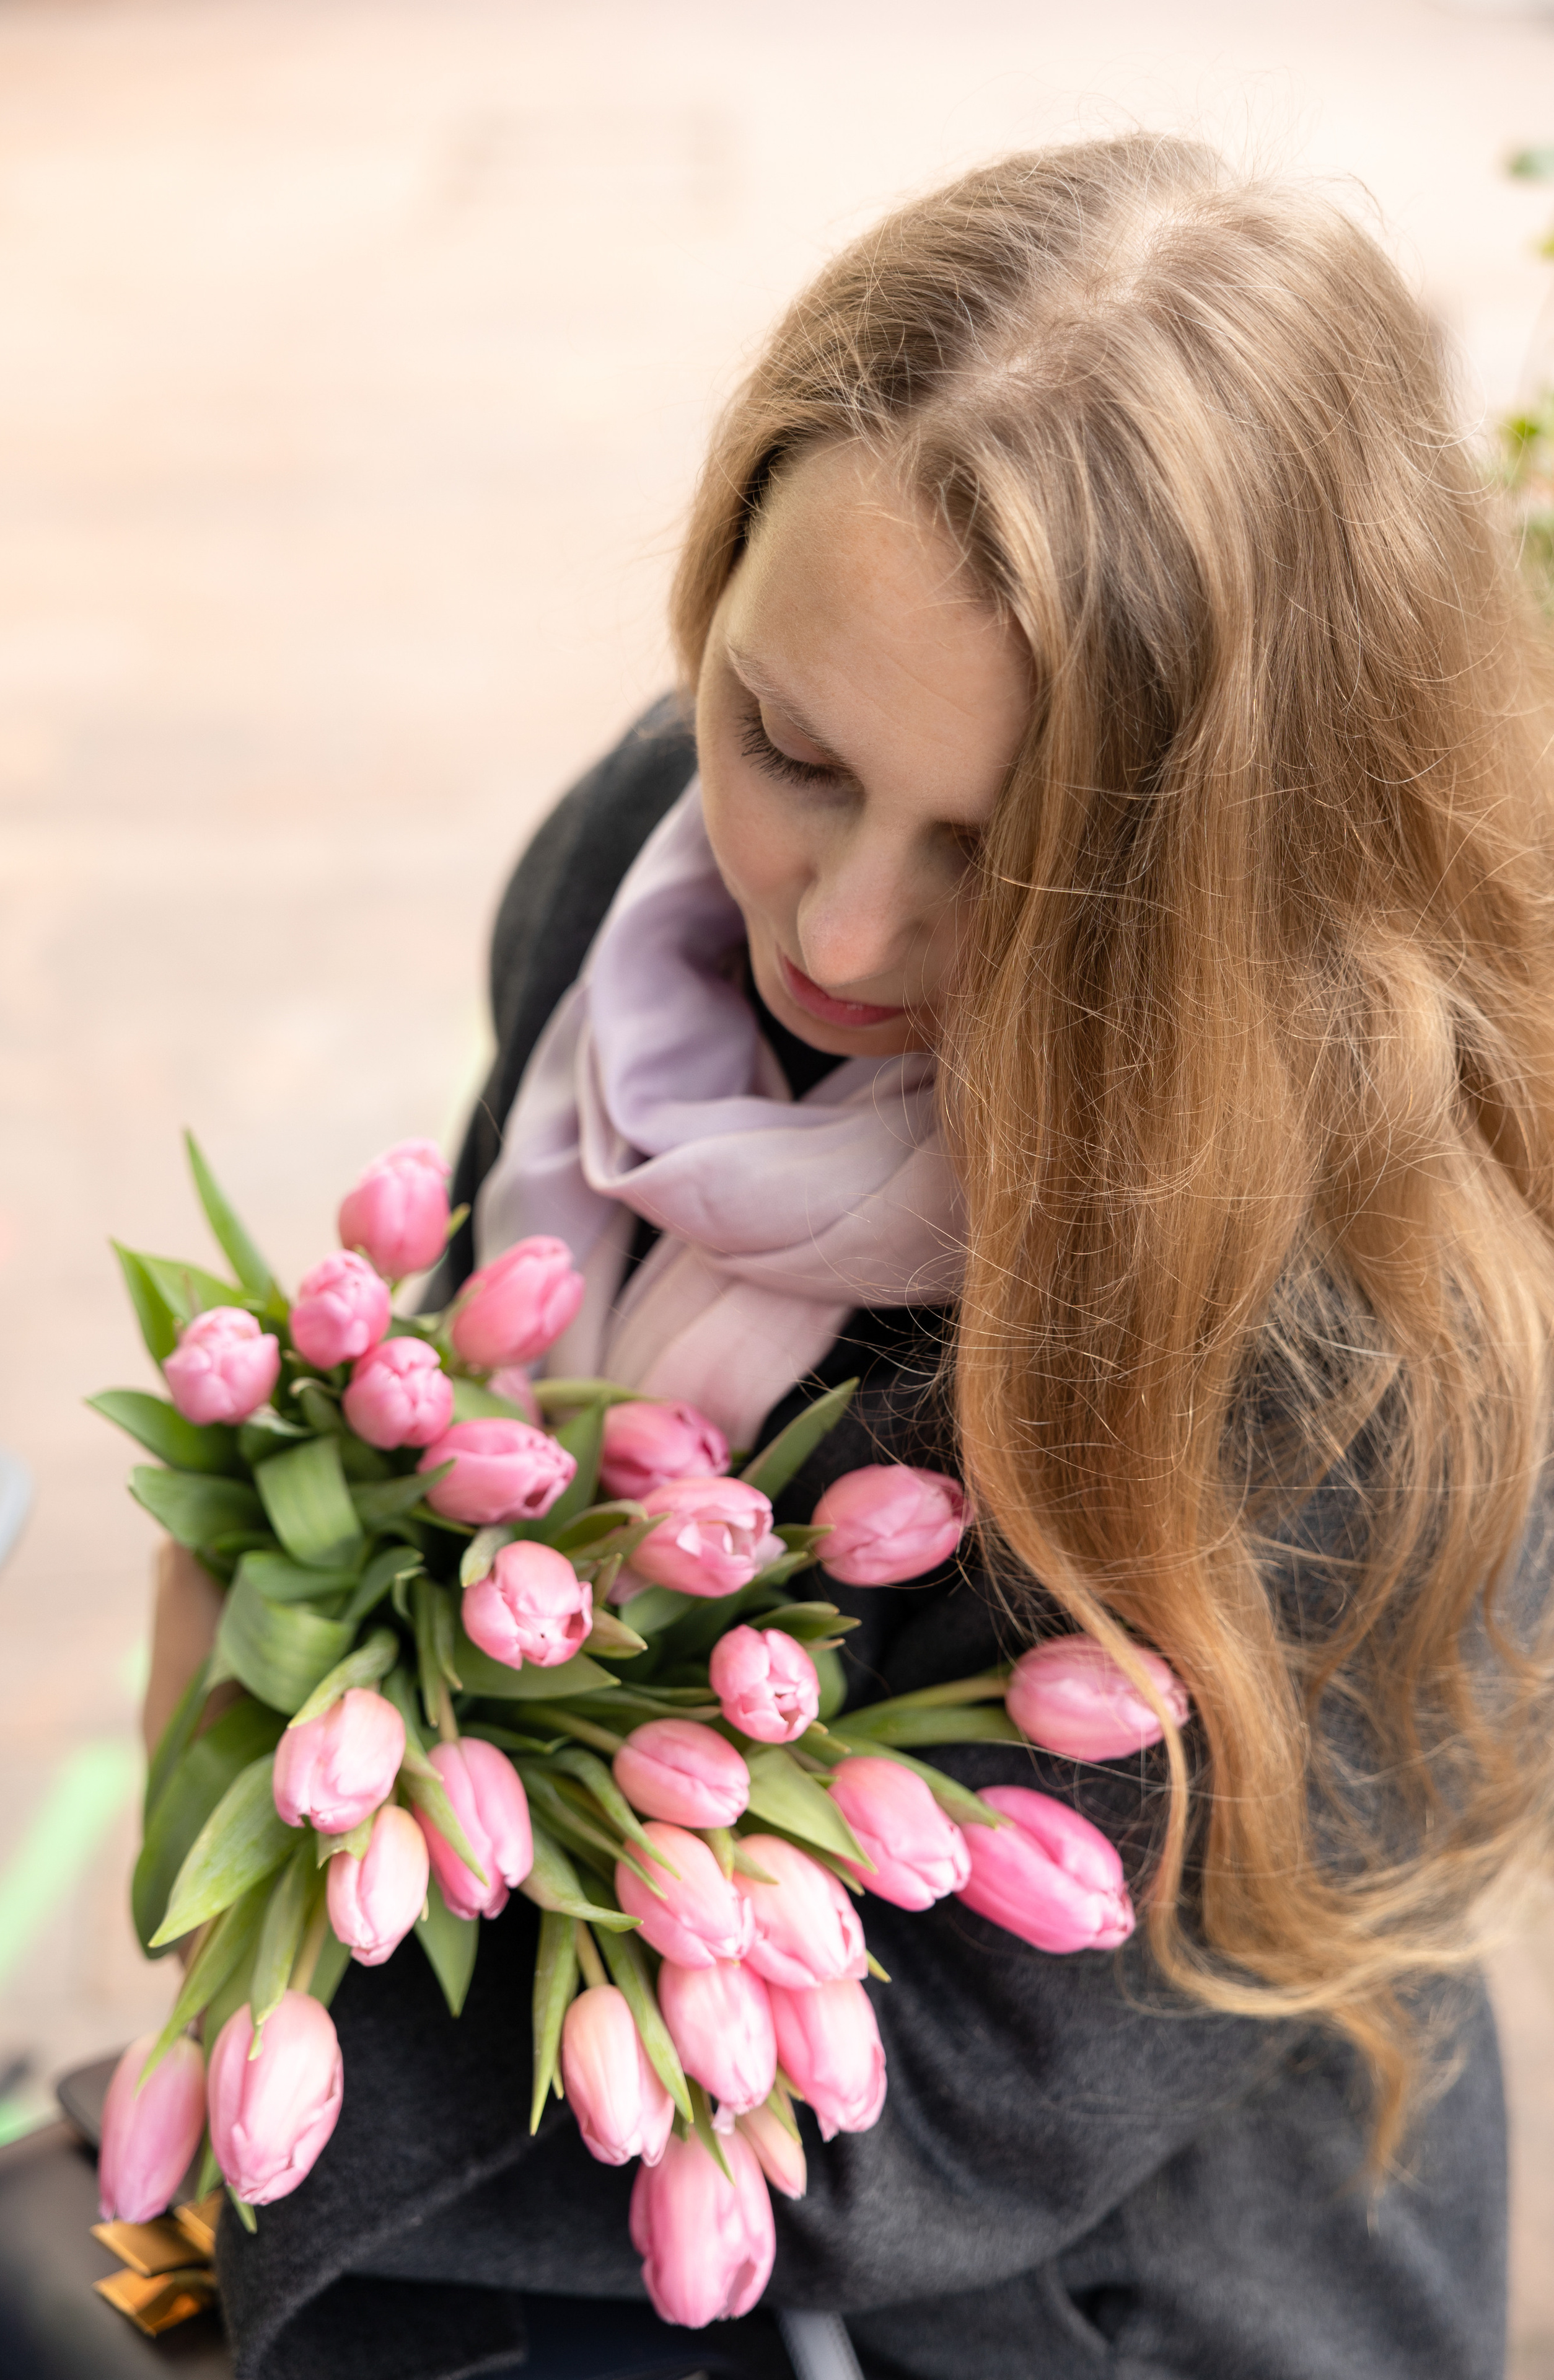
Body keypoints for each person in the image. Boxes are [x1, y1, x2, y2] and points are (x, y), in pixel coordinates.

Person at [149, 136, 1554, 2379]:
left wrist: (255, 1946)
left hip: (1075, 2291)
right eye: (791, 748)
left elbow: (972, 2112)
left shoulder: (1347, 1340)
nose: (834, 934)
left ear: (1240, 856)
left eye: (1012, 864)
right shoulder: (643, 860)